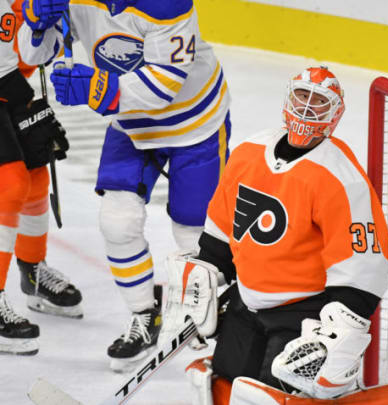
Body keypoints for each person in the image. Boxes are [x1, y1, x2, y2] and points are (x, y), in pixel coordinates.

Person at [16, 0, 232, 370]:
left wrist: (97, 87)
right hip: (131, 125)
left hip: (196, 123)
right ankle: (145, 317)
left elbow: (165, 84)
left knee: (193, 233)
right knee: (117, 222)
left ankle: (209, 319)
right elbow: (37, 53)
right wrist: (37, 24)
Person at [161, 66, 388, 405]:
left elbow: (364, 264)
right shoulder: (248, 153)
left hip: (303, 314)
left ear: (335, 115)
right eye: (302, 96)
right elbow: (222, 229)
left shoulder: (341, 178)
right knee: (218, 387)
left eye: (319, 102)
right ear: (288, 98)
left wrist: (338, 332)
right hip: (247, 301)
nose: (307, 107)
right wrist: (206, 275)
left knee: (268, 399)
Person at [0, 0, 78, 356]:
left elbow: (29, 48)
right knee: (9, 184)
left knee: (35, 178)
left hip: (8, 80)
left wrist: (44, 28)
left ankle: (32, 272)